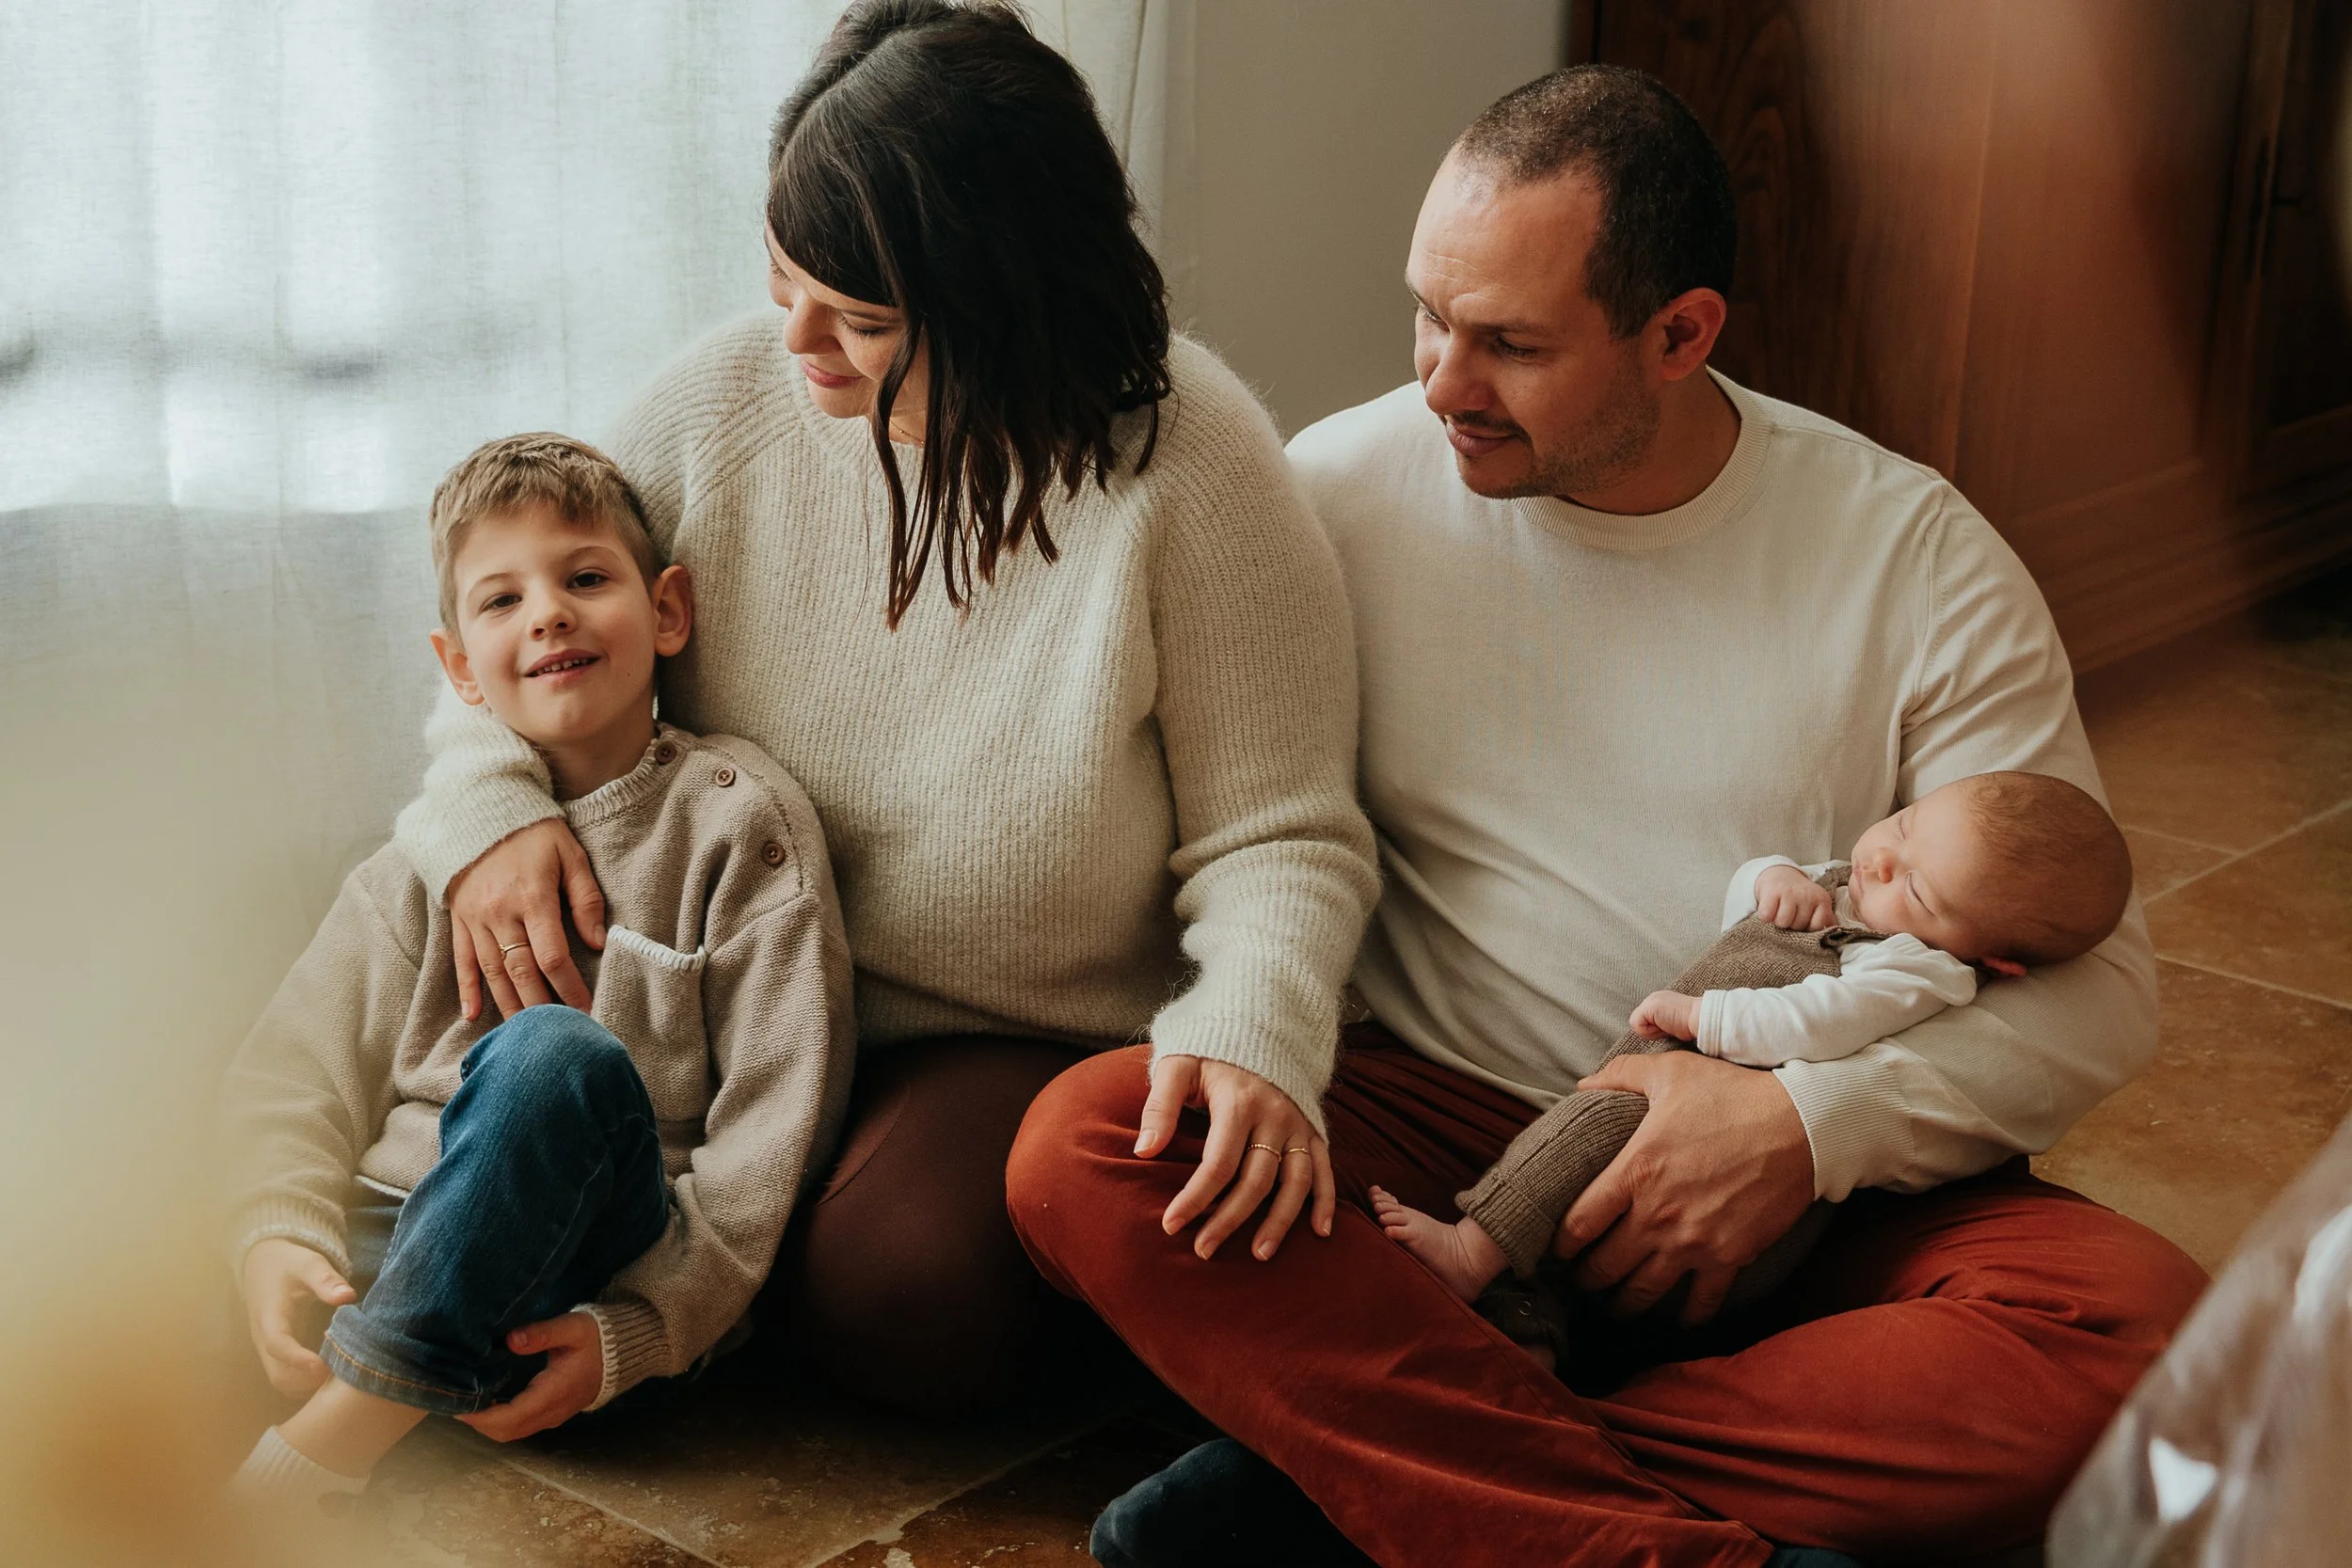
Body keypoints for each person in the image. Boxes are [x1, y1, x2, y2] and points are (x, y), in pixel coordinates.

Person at [1009, 65, 2208, 1567]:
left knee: (2157, 1349)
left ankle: (1372, 1476)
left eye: (1508, 342)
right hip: (1441, 1136)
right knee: (1094, 1144)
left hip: (1804, 1189)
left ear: (1681, 334)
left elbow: (2102, 994)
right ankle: (1636, 1533)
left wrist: (1800, 1122)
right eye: (1430, 316)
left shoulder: (1914, 557)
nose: (1443, 380)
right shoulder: (1334, 488)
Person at [389, 0, 1378, 1415]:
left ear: (1001, 302)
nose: (797, 342)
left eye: (861, 317)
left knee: (894, 1291)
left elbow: (1282, 835)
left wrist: (1253, 1028)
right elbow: (528, 611)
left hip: (987, 1039)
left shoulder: (1189, 463)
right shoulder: (723, 401)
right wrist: (486, 806)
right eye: (784, 278)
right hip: (727, 999)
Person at [222, 434, 854, 1508]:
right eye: (501, 599)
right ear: (459, 666)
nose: (549, 613)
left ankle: (328, 1445)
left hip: (574, 1281)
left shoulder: (739, 825)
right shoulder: (427, 855)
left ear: (667, 611)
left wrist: (642, 1329)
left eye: (585, 578)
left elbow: (773, 1131)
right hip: (378, 1241)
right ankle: (377, 1372)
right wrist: (274, 1229)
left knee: (553, 1053)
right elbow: (293, 1071)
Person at [1373, 769, 2137, 1307]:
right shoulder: (1851, 882)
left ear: (1992, 957)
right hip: (1535, 1088)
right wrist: (1774, 877)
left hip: (1714, 1113)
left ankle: (1472, 1251)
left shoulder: (1920, 966)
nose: (1878, 859)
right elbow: (1745, 899)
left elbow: (1818, 1019)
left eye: (1918, 886)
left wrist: (1706, 1020)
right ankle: (1534, 1330)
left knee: (1590, 1128)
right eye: (1904, 825)